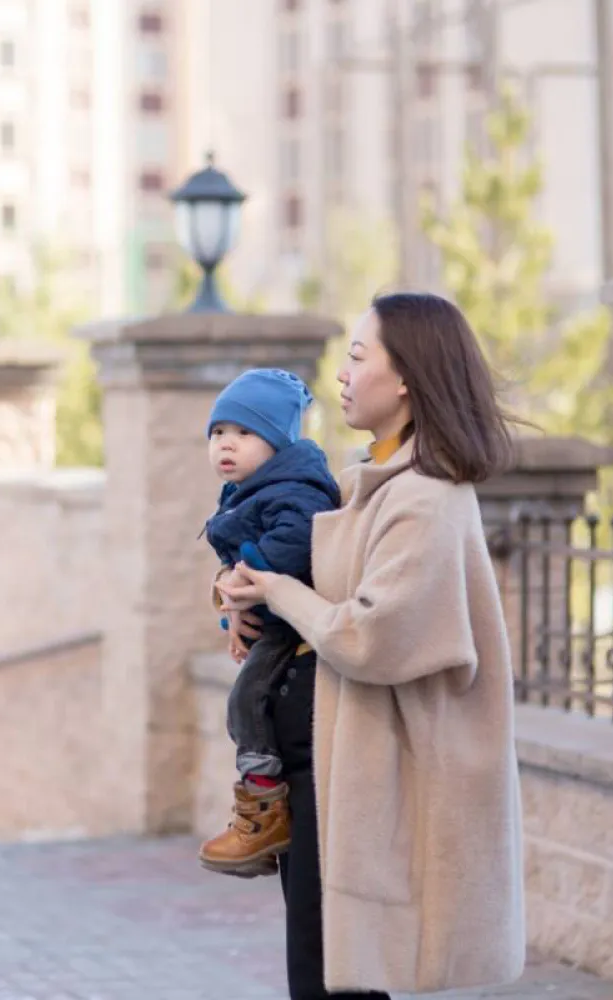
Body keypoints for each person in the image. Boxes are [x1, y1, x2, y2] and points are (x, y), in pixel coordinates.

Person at [217, 292, 527, 998]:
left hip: (364, 777)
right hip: (324, 768)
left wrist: (275, 593)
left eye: (358, 358)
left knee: (337, 983)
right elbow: (303, 578)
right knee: (321, 972)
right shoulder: (366, 483)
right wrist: (240, 600)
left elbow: (371, 635)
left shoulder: (426, 498)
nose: (344, 376)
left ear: (408, 376)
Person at [197, 368, 340, 877]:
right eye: (217, 433)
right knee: (244, 705)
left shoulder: (298, 489)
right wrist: (231, 607)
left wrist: (242, 577)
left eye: (243, 433)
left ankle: (262, 808)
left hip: (295, 625)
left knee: (245, 701)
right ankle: (262, 817)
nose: (226, 445)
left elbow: (294, 544)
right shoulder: (253, 488)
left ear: (278, 441)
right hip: (272, 619)